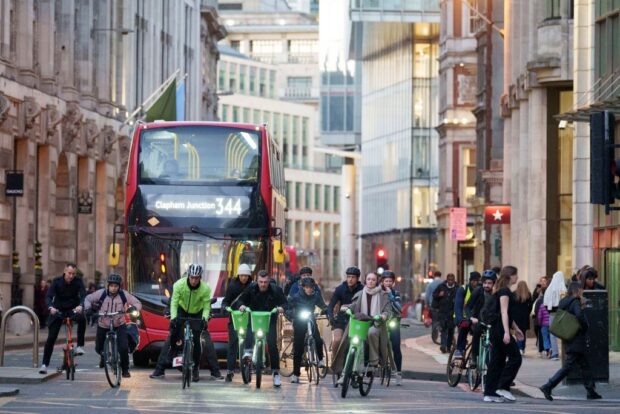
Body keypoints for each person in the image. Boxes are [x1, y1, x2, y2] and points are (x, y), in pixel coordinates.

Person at [150, 264, 221, 382]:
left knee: (200, 340)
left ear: (200, 278)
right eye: (192, 277)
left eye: (196, 278)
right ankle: (160, 369)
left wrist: (204, 318)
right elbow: (173, 302)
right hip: (181, 309)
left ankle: (198, 370)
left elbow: (206, 306)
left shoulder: (205, 289)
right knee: (172, 333)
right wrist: (173, 318)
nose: (194, 280)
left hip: (197, 312)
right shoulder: (178, 285)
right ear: (188, 276)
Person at [539, 282, 602, 401]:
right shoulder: (575, 302)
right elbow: (579, 316)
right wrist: (585, 326)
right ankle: (548, 386)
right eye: (581, 289)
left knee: (584, 365)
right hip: (577, 338)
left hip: (568, 336)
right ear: (577, 290)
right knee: (568, 366)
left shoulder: (564, 301)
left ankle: (590, 391)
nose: (582, 291)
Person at [332, 272, 392, 382]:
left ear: (377, 281)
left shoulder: (383, 295)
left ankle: (373, 361)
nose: (371, 281)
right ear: (365, 280)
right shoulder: (360, 294)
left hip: (375, 322)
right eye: (368, 279)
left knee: (371, 333)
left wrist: (383, 316)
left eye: (373, 280)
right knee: (348, 341)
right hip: (361, 322)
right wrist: (347, 308)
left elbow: (387, 311)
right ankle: (344, 373)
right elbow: (354, 305)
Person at [84, 274, 142, 378]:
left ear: (119, 286)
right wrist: (88, 308)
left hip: (119, 323)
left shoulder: (124, 295)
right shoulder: (101, 293)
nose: (113, 288)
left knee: (123, 347)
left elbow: (138, 303)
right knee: (98, 348)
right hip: (103, 323)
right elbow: (88, 298)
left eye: (116, 286)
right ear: (108, 286)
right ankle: (103, 355)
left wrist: (132, 308)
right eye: (111, 286)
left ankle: (125, 369)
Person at [238, 270, 287, 387]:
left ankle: (275, 373)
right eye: (260, 282)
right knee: (248, 329)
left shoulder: (276, 290)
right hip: (254, 316)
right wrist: (242, 305)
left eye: (265, 282)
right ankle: (248, 351)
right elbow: (241, 300)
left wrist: (281, 308)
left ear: (269, 281)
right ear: (257, 280)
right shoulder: (251, 288)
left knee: (271, 344)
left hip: (269, 318)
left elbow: (286, 303)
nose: (263, 284)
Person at [483, 266, 524, 403]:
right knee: (515, 357)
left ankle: (489, 393)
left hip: (497, 329)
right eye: (516, 275)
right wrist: (507, 332)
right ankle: (503, 387)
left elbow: (507, 315)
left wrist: (516, 329)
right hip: (500, 329)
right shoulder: (505, 291)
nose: (517, 277)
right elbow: (504, 312)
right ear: (510, 276)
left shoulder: (501, 290)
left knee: (497, 362)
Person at [39, 263, 87, 374]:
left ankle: (79, 346)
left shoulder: (78, 282)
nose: (71, 276)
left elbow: (84, 295)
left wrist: (81, 305)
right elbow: (48, 296)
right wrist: (51, 307)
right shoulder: (56, 282)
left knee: (82, 318)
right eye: (69, 273)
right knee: (51, 338)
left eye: (73, 274)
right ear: (65, 271)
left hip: (72, 310)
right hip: (58, 310)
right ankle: (44, 365)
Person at [288, 277, 329, 384]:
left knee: (318, 339)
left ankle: (320, 359)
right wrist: (292, 315)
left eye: (311, 287)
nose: (309, 289)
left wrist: (325, 310)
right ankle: (296, 374)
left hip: (311, 319)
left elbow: (323, 305)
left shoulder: (315, 296)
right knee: (298, 348)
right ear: (303, 287)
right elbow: (287, 306)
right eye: (307, 287)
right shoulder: (296, 297)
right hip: (299, 321)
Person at [221, 263, 253, 382]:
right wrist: (224, 307)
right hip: (235, 319)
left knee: (249, 341)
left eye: (246, 275)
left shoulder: (253, 286)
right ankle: (230, 371)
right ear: (238, 275)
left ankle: (249, 366)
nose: (243, 278)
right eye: (241, 275)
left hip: (248, 318)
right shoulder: (232, 286)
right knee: (232, 344)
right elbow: (226, 300)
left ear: (249, 276)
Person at [327, 266, 363, 356]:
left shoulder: (362, 290)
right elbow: (330, 305)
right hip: (341, 320)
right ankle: (334, 364)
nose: (350, 279)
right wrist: (331, 317)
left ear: (357, 278)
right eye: (348, 277)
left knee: (358, 341)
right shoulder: (340, 289)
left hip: (356, 320)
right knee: (337, 340)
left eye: (353, 277)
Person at [465, 269, 496, 361]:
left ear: (494, 283)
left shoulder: (497, 294)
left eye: (489, 283)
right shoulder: (478, 291)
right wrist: (471, 317)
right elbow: (467, 307)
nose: (486, 285)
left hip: (491, 322)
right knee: (477, 332)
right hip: (478, 320)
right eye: (485, 283)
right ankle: (474, 357)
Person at [381, 271, 403, 386]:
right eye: (386, 281)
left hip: (393, 321)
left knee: (396, 346)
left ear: (393, 282)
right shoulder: (378, 292)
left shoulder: (396, 293)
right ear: (382, 282)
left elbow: (399, 308)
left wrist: (391, 296)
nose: (388, 283)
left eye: (390, 281)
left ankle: (398, 372)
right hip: (381, 321)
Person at [453, 271, 480, 358]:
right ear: (470, 280)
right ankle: (459, 350)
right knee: (464, 327)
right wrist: (461, 319)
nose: (474, 283)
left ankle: (476, 355)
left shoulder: (481, 290)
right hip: (462, 317)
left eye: (476, 281)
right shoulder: (463, 289)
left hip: (476, 318)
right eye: (473, 281)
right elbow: (458, 306)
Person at [543, 271, 567, 361]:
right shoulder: (564, 289)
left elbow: (545, 303)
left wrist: (550, 310)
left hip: (552, 314)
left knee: (553, 334)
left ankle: (555, 354)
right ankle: (566, 353)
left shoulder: (549, 289)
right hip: (562, 314)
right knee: (565, 333)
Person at [433, 273, 457, 353]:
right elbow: (434, 295)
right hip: (443, 312)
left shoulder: (457, 288)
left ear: (454, 280)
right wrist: (439, 295)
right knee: (443, 330)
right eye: (449, 280)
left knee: (450, 331)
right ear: (447, 280)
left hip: (452, 313)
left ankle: (449, 346)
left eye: (452, 280)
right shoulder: (441, 286)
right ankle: (443, 346)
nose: (450, 281)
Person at [512, 281, 532, 355]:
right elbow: (530, 305)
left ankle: (519, 347)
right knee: (523, 332)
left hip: (516, 316)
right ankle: (522, 347)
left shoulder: (514, 294)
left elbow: (512, 305)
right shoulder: (528, 294)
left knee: (518, 332)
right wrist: (527, 312)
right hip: (524, 316)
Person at [532, 276, 548, 356]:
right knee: (538, 330)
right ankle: (541, 346)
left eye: (544, 281)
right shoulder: (537, 289)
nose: (543, 282)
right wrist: (537, 291)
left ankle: (543, 348)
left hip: (544, 313)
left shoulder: (548, 289)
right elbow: (533, 298)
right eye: (541, 281)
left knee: (543, 332)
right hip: (537, 311)